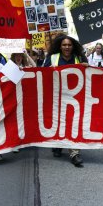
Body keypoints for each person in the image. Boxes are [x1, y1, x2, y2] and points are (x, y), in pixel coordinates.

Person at [43, 34, 88, 167]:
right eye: (64, 45)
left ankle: (74, 153)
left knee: (73, 123)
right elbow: (42, 74)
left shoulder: (79, 58)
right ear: (60, 46)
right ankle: (58, 145)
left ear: (73, 46)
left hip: (75, 99)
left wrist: (86, 67)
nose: (67, 47)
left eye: (69, 45)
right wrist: (48, 71)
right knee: (59, 123)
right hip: (56, 97)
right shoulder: (52, 58)